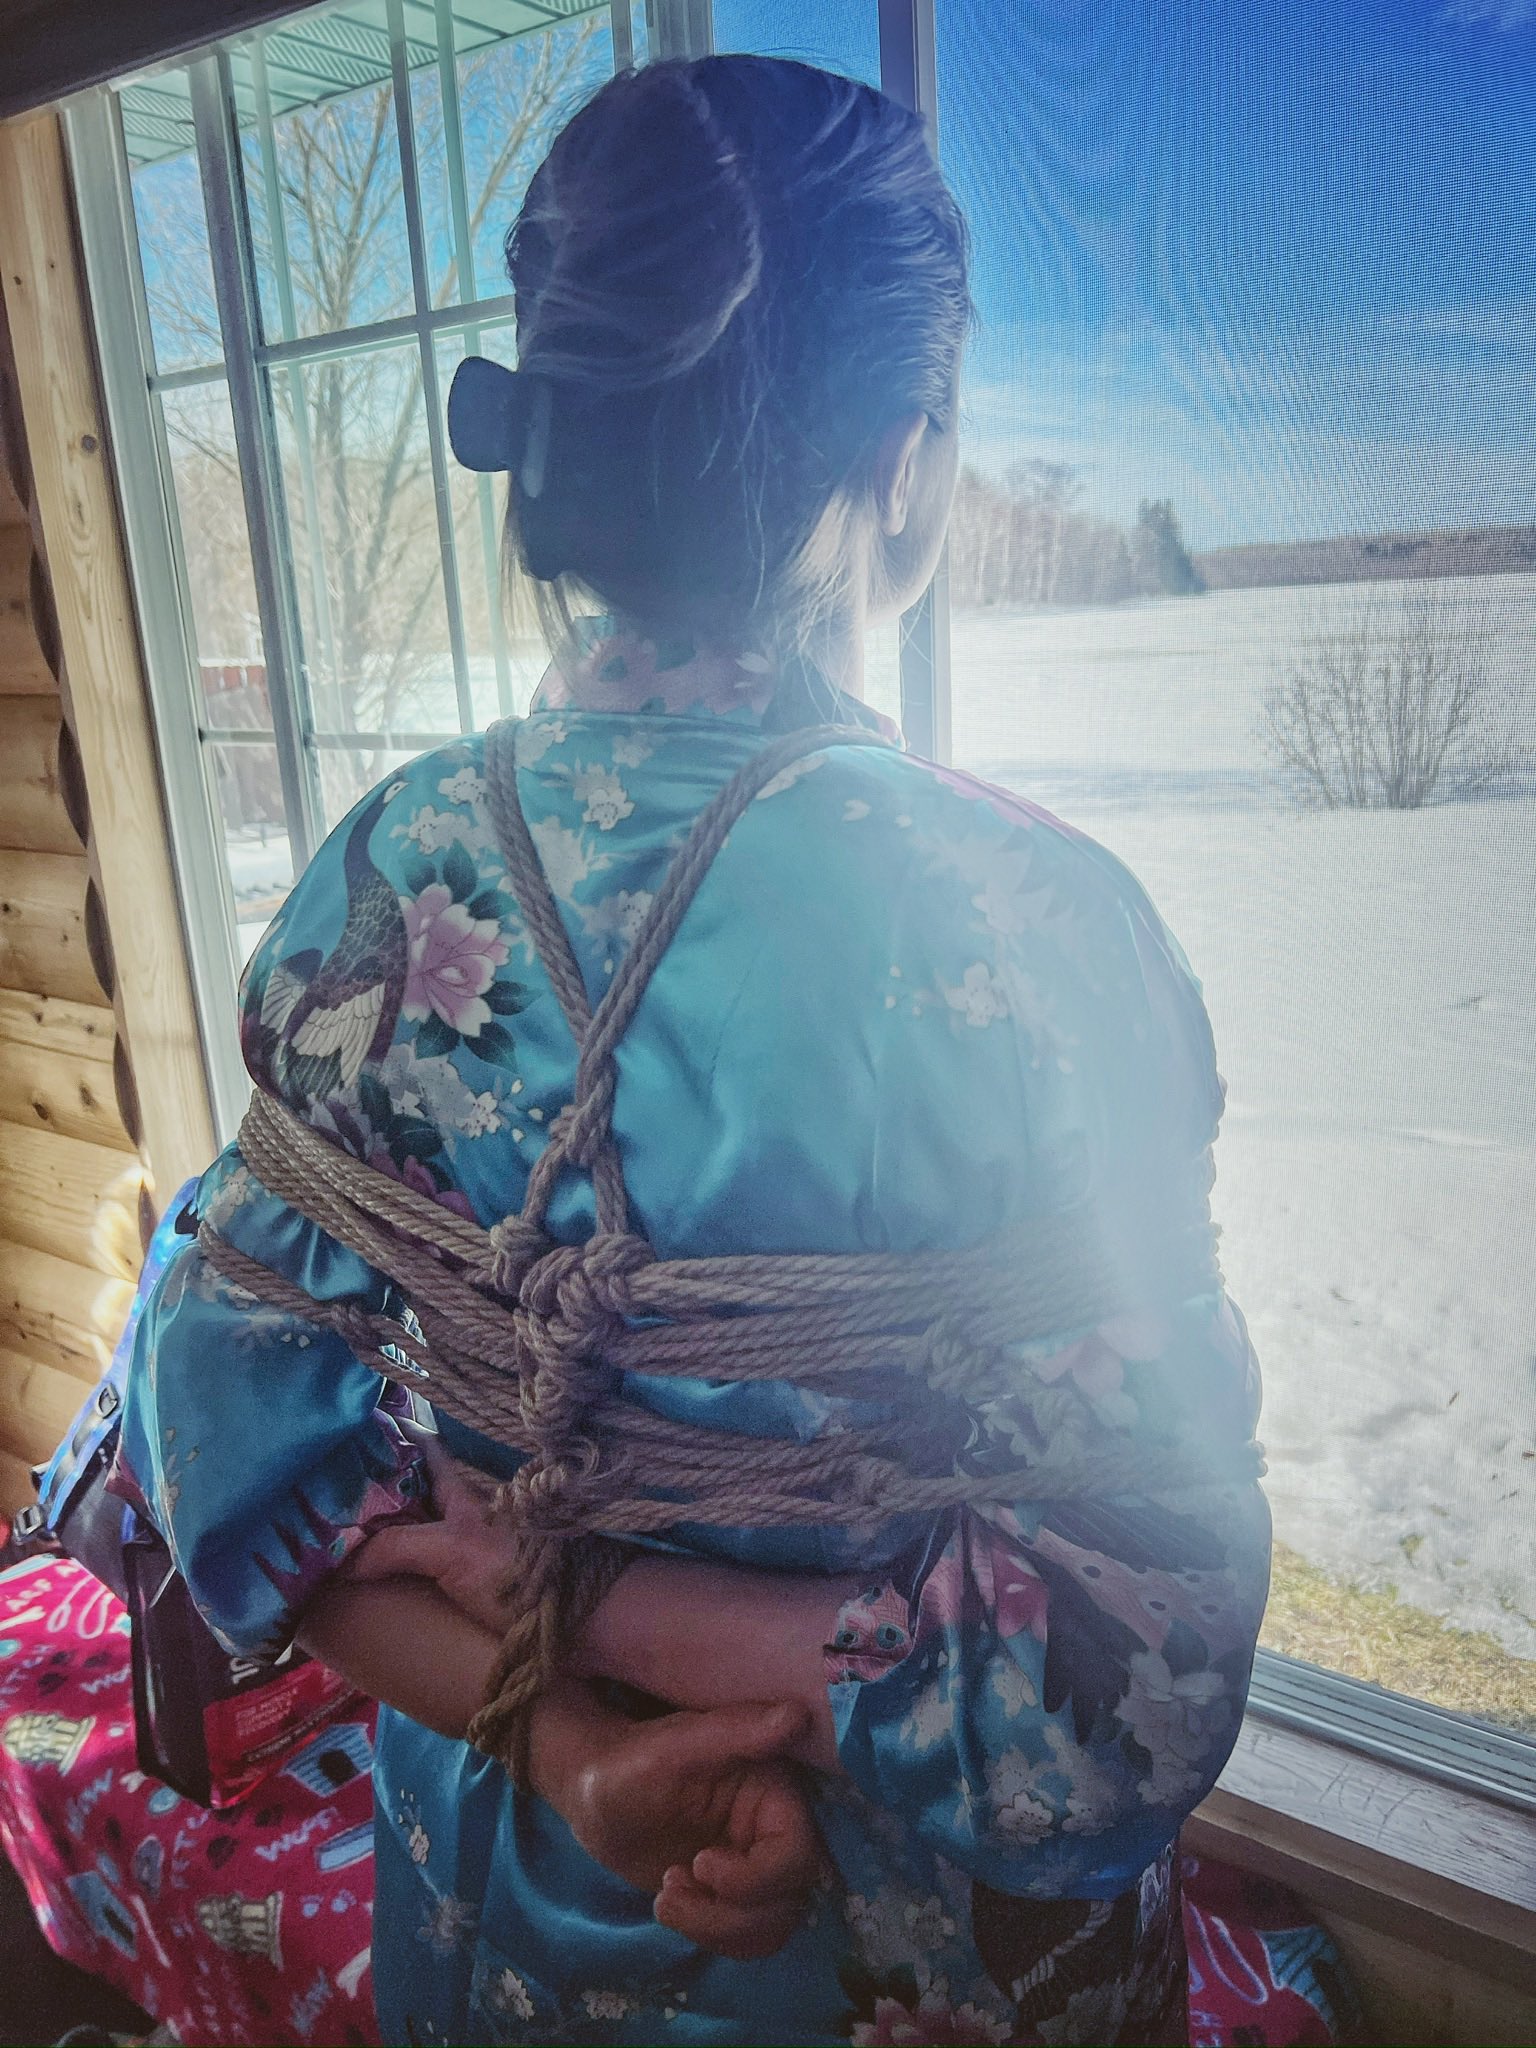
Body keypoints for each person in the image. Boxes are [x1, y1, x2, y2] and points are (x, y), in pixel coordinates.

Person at [114, 54, 1270, 2047]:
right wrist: (679, 1622)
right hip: (926, 1964)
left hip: (503, 1910)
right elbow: (1128, 1678)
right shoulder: (1030, 931)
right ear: (905, 461)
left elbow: (221, 1451)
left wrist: (573, 1718)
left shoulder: (384, 879)